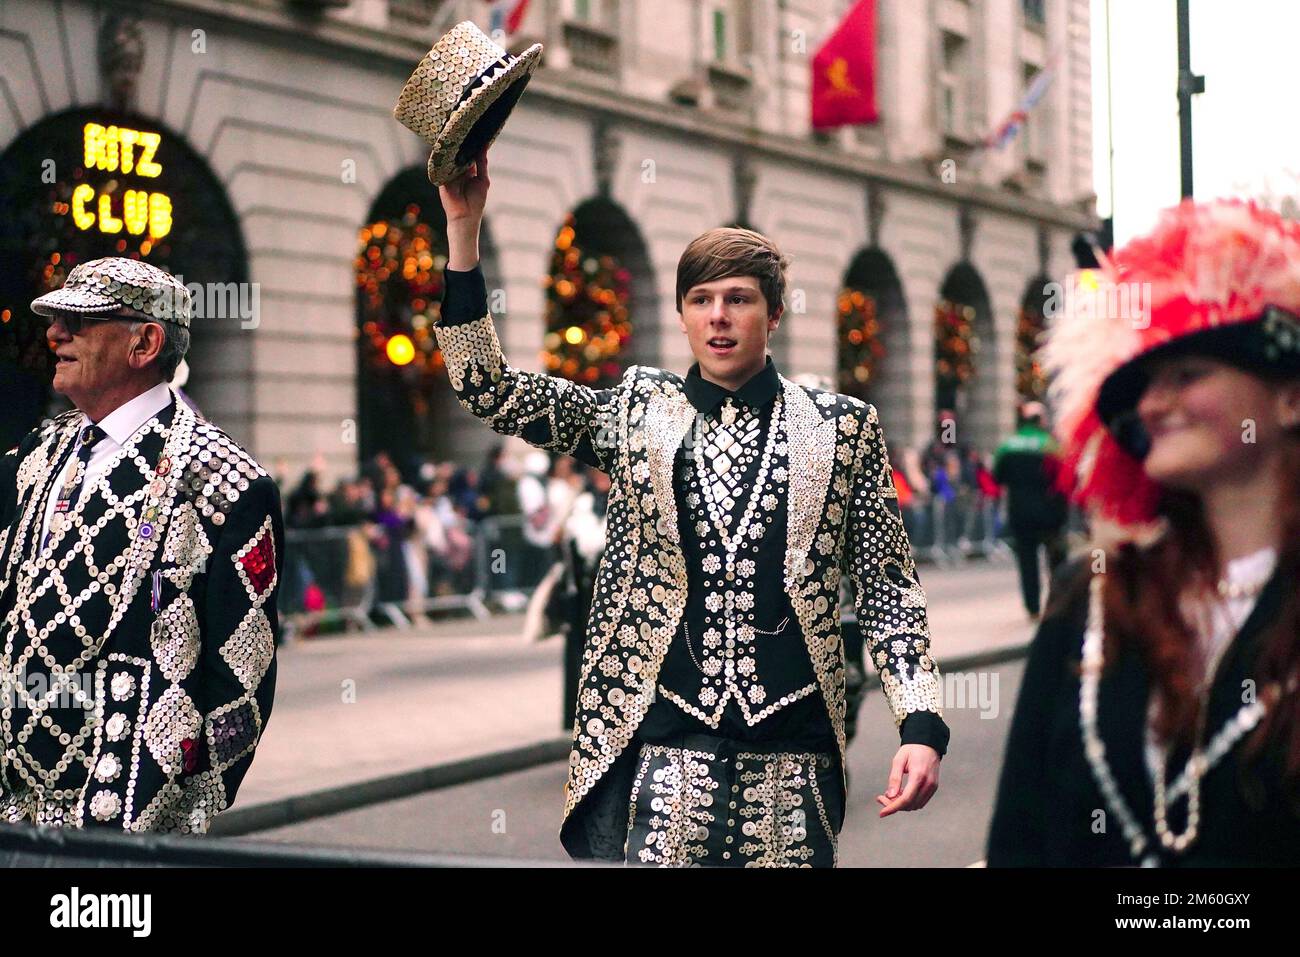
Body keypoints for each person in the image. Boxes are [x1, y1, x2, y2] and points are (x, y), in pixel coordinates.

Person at [434, 148, 947, 867]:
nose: (719, 317)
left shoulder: (844, 428)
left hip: (794, 756)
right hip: (669, 749)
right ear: (679, 314)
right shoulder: (637, 412)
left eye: (738, 298)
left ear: (773, 312)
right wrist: (464, 230)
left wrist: (920, 722)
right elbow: (486, 386)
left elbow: (889, 588)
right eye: (701, 300)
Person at [987, 200, 1300, 866]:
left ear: (1289, 397)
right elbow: (1022, 833)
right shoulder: (1092, 600)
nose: (1154, 403)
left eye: (1188, 374)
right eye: (1146, 382)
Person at [0, 257, 282, 831]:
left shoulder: (227, 483)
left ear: (145, 342)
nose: (56, 333)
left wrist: (186, 805)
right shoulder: (34, 455)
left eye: (81, 321)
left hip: (124, 814)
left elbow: (244, 679)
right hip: (13, 804)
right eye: (56, 320)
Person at [992, 401, 1069, 618]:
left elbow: (998, 477)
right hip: (1050, 513)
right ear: (1041, 421)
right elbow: (1065, 479)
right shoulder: (1052, 446)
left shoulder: (1008, 446)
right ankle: (1058, 604)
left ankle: (1032, 606)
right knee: (1056, 560)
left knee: (1027, 561)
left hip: (1020, 512)